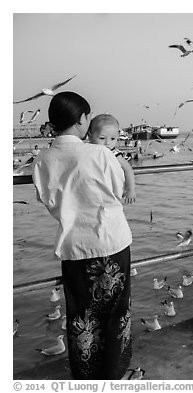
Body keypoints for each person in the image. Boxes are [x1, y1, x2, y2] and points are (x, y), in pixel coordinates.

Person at [32, 91, 135, 379]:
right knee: (115, 313)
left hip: (73, 247)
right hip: (110, 241)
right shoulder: (101, 153)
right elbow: (117, 190)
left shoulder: (42, 159)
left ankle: (85, 377)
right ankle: (114, 374)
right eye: (87, 116)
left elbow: (45, 199)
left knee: (82, 317)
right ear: (81, 119)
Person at [87, 114, 137, 204]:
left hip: (109, 193)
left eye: (113, 139)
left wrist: (130, 190)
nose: (107, 143)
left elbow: (128, 170)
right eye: (102, 138)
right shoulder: (87, 150)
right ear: (90, 135)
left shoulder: (115, 153)